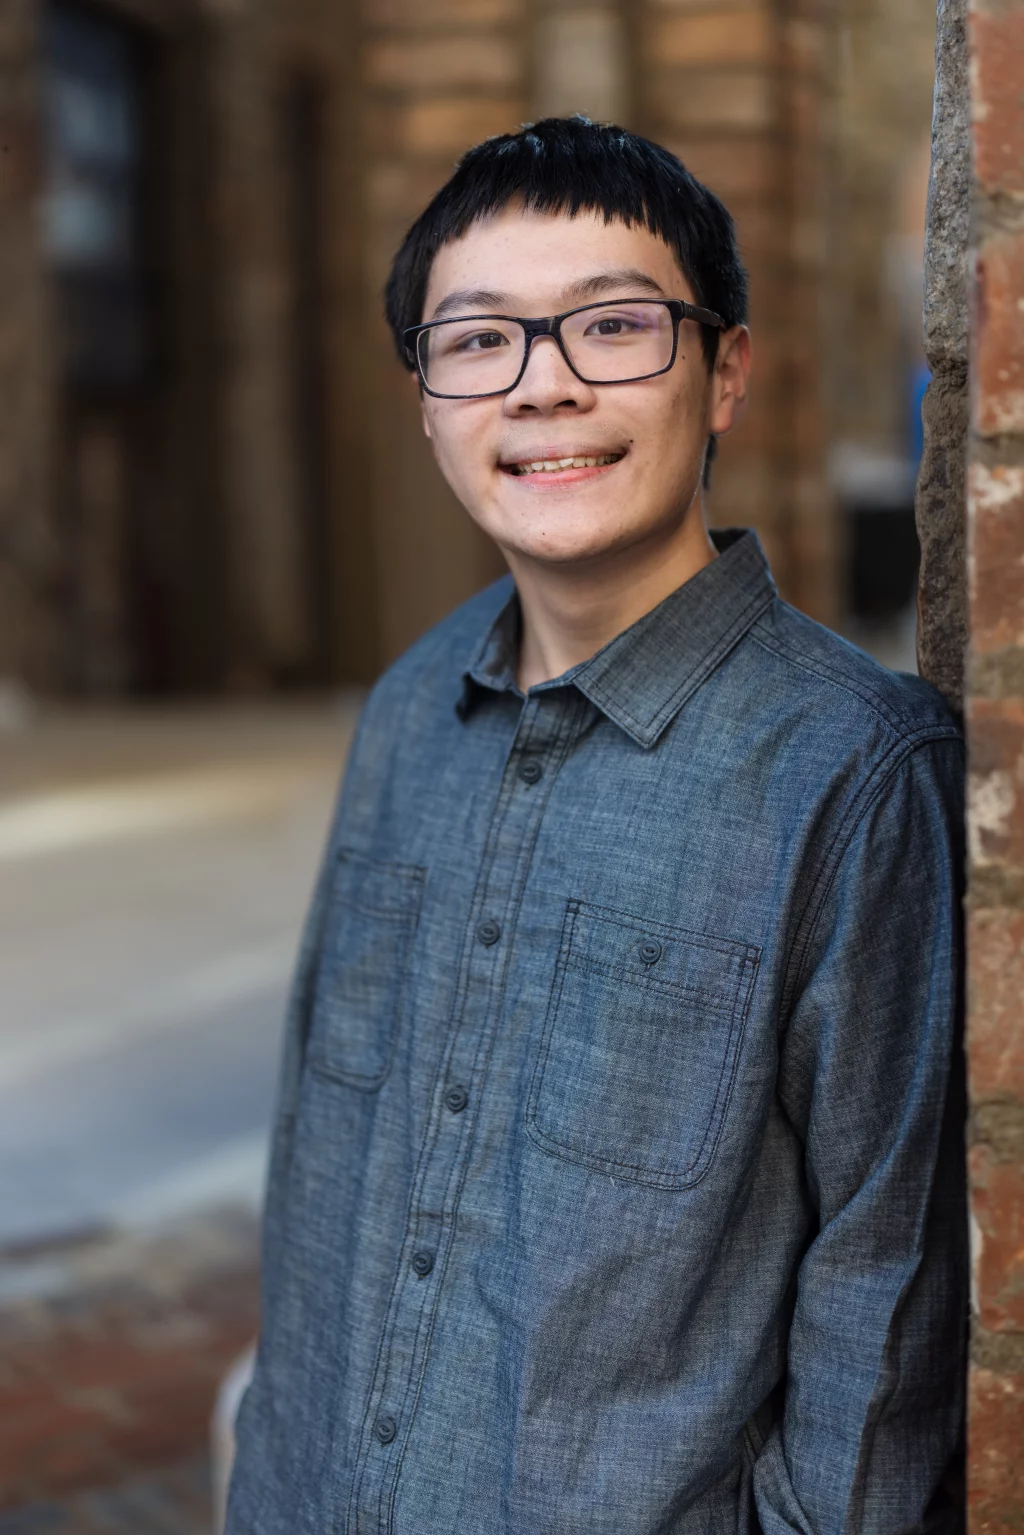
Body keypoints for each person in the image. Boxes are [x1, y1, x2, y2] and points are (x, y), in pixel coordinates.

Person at [226, 116, 966, 1535]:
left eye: (613, 326)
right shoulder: (402, 716)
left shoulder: (854, 772)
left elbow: (886, 1303)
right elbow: (317, 1174)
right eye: (479, 340)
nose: (543, 388)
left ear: (726, 370)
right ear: (429, 401)